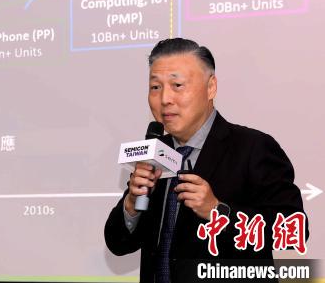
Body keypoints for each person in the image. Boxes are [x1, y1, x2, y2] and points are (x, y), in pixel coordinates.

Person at [104, 38, 308, 283]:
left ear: (211, 87)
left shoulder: (254, 147)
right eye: (155, 87)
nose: (165, 98)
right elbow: (118, 243)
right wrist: (131, 204)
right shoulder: (155, 152)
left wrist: (218, 211)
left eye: (177, 85)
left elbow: (293, 230)